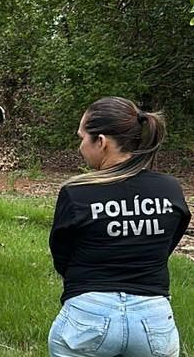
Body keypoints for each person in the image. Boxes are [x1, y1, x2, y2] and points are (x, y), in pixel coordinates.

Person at [48, 96, 190, 357]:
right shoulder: (170, 190)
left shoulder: (76, 192)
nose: (80, 146)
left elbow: (61, 256)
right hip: (153, 321)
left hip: (87, 317)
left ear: (101, 142)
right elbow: (167, 244)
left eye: (82, 138)